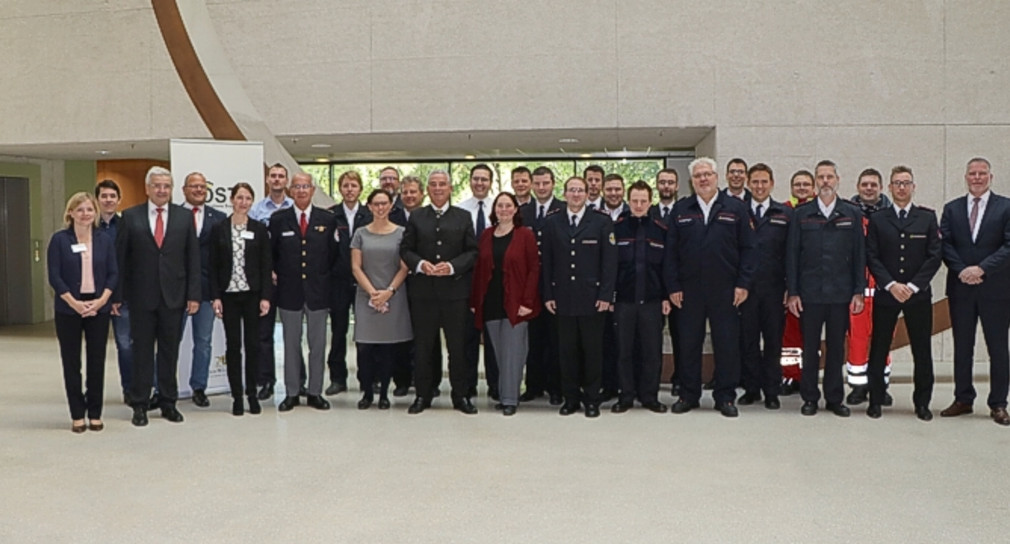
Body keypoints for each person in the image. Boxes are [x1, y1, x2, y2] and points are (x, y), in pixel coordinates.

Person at [665, 158, 756, 418]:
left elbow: (749, 250)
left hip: (726, 289)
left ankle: (725, 396)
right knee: (688, 343)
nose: (703, 179)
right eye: (698, 176)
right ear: (692, 181)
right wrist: (672, 286)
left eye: (707, 175)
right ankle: (688, 394)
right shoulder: (681, 209)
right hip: (688, 290)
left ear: (717, 178)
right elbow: (670, 253)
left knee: (727, 343)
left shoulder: (736, 208)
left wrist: (743, 284)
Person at [113, 166, 200, 427]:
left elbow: (192, 258)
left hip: (174, 297)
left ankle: (168, 402)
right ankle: (140, 403)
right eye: (157, 185)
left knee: (169, 352)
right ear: (147, 188)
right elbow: (121, 259)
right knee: (141, 352)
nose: (162, 190)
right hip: (141, 298)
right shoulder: (130, 217)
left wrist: (194, 294)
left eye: (166, 186)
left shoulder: (184, 217)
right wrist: (117, 296)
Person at [786, 160, 865, 417]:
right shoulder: (802, 214)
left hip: (840, 294)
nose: (825, 182)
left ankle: (834, 398)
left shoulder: (851, 213)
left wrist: (858, 291)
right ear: (815, 182)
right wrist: (793, 292)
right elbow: (792, 256)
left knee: (835, 348)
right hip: (809, 294)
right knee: (810, 348)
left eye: (830, 177)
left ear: (838, 179)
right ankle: (809, 398)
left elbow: (859, 256)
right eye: (821, 177)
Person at [864, 166, 941, 420]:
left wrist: (913, 286)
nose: (901, 187)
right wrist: (891, 284)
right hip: (887, 294)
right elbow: (872, 256)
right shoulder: (878, 219)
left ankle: (922, 403)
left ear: (913, 187)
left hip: (917, 295)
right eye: (897, 183)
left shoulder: (927, 218)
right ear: (889, 187)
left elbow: (934, 256)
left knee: (921, 349)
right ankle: (875, 400)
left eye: (906, 183)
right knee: (879, 347)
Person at [401, 169, 479, 414]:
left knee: (457, 348)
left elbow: (473, 252)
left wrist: (453, 266)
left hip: (455, 294)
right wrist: (422, 265)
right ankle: (423, 396)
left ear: (450, 188)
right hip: (423, 294)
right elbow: (405, 249)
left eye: (442, 184)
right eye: (433, 184)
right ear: (428, 189)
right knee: (423, 348)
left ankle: (461, 396)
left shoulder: (463, 217)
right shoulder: (417, 217)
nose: (437, 188)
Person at [939, 157, 1010, 426]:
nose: (977, 177)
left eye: (982, 173)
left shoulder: (1006, 207)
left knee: (998, 348)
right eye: (972, 173)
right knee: (963, 347)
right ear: (966, 177)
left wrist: (981, 269)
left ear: (990, 177)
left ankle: (998, 403)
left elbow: (1008, 246)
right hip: (961, 289)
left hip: (996, 289)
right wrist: (962, 270)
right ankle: (963, 398)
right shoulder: (952, 209)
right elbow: (944, 245)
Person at [541, 176, 617, 418]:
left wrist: (606, 295)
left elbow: (609, 262)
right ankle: (570, 398)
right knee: (567, 351)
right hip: (562, 299)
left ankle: (592, 399)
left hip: (593, 299)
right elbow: (547, 264)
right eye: (571, 190)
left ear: (587, 194)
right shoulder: (552, 222)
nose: (575, 194)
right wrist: (548, 294)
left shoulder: (601, 222)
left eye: (580, 190)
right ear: (564, 194)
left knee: (592, 351)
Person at [49, 192, 118, 432]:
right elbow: (55, 277)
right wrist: (74, 303)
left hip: (98, 306)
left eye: (89, 210)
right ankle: (77, 414)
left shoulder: (104, 239)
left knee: (96, 362)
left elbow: (113, 273)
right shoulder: (59, 240)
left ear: (95, 213)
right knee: (71, 362)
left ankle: (95, 413)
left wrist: (101, 301)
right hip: (69, 308)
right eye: (80, 210)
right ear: (70, 213)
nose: (85, 214)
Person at [270, 173, 338, 412]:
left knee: (317, 345)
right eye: (297, 187)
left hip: (318, 292)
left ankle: (315, 392)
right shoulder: (279, 219)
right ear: (290, 190)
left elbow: (333, 256)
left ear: (312, 190)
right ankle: (291, 392)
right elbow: (273, 255)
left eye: (305, 186)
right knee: (290, 344)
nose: (301, 191)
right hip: (289, 292)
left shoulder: (327, 219)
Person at [470, 192, 540, 416]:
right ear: (495, 209)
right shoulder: (486, 235)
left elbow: (534, 269)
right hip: (491, 301)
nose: (504, 209)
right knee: (499, 353)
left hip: (516, 302)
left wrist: (528, 301)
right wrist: (475, 301)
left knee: (514, 352)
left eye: (508, 205)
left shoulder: (525, 235)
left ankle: (510, 399)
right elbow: (479, 270)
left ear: (515, 209)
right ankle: (503, 394)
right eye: (500, 206)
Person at [209, 183, 272, 416]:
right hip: (228, 296)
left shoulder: (258, 228)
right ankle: (236, 396)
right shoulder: (219, 229)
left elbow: (266, 265)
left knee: (253, 345)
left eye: (247, 198)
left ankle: (252, 395)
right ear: (232, 200)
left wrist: (266, 296)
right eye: (239, 197)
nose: (243, 202)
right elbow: (213, 266)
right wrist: (215, 296)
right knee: (233, 347)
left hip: (252, 295)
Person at [350, 189, 412, 410]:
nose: (380, 207)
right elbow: (356, 266)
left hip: (393, 296)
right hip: (366, 296)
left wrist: (388, 292)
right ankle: (367, 392)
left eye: (384, 203)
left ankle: (385, 393)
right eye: (376, 204)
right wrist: (373, 293)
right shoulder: (360, 233)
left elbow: (405, 267)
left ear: (391, 206)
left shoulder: (402, 233)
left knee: (388, 349)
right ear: (369, 206)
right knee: (365, 348)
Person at [611, 181, 669, 414]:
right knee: (623, 351)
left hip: (653, 302)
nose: (638, 205)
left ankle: (649, 396)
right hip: (623, 301)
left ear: (650, 201)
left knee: (651, 352)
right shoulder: (616, 228)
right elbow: (609, 267)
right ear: (628, 200)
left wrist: (666, 296)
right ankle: (625, 396)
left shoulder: (661, 229)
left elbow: (668, 267)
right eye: (634, 200)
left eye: (643, 201)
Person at [738, 164, 792, 410]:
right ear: (749, 183)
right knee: (748, 341)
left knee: (773, 343)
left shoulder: (784, 213)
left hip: (774, 290)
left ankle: (771, 390)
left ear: (771, 183)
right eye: (755, 182)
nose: (759, 186)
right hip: (745, 290)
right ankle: (751, 389)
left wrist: (789, 288)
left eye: (764, 182)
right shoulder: (737, 212)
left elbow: (791, 255)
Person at [845, 168, 894, 405]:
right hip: (857, 291)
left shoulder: (891, 216)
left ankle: (880, 386)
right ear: (857, 187)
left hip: (885, 290)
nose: (869, 188)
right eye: (865, 184)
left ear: (881, 187)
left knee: (883, 340)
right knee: (857, 341)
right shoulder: (847, 215)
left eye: (873, 184)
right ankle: (857, 387)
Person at [179, 171, 227, 408]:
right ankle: (163, 387)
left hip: (208, 290)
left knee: (203, 341)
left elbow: (222, 259)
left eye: (202, 186)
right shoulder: (174, 216)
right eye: (193, 186)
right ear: (184, 190)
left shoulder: (219, 218)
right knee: (169, 341)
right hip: (175, 290)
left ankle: (199, 386)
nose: (198, 190)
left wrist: (219, 293)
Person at [519, 166, 565, 405]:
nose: (541, 188)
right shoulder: (522, 212)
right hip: (529, 287)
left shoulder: (564, 209)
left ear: (553, 183)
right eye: (537, 184)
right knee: (533, 340)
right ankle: (534, 385)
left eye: (545, 183)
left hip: (556, 286)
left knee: (555, 339)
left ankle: (555, 387)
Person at [249, 163, 296, 401]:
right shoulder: (256, 210)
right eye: (273, 176)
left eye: (281, 176)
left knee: (293, 333)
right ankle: (265, 380)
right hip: (264, 280)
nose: (277, 179)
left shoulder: (295, 208)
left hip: (290, 280)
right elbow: (251, 246)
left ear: (286, 180)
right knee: (263, 333)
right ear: (267, 180)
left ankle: (299, 381)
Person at [326, 170, 372, 396]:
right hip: (338, 282)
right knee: (338, 331)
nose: (350, 189)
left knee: (366, 332)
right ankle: (337, 378)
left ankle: (368, 379)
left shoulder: (370, 214)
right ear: (340, 189)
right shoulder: (330, 216)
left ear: (360, 189)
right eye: (345, 185)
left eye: (354, 185)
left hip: (365, 282)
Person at [457, 163, 499, 400]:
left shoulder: (501, 208)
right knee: (468, 337)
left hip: (494, 284)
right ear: (470, 181)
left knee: (493, 338)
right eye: (476, 179)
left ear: (490, 182)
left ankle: (495, 386)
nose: (479, 183)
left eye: (484, 179)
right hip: (467, 283)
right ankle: (468, 386)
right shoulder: (460, 210)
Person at [389, 175, 427, 396]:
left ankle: (425, 380)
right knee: (400, 333)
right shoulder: (391, 216)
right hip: (396, 283)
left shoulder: (430, 216)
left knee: (424, 334)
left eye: (413, 192)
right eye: (406, 192)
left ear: (422, 194)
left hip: (424, 283)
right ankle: (402, 380)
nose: (409, 196)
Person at [95, 179, 133, 404]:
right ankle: (94, 392)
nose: (108, 200)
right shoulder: (90, 226)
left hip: (122, 298)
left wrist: (116, 297)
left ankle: (129, 389)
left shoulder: (127, 225)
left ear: (119, 200)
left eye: (112, 196)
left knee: (125, 345)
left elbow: (128, 265)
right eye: (104, 196)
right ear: (97, 199)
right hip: (94, 298)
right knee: (96, 347)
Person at [780, 170, 816, 395]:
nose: (802, 188)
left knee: (811, 335)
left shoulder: (820, 211)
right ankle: (791, 376)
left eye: (806, 184)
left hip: (814, 283)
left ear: (813, 187)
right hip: (789, 284)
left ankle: (809, 376)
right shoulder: (784, 210)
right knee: (790, 335)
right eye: (797, 184)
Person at [648, 169, 681, 395]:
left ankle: (680, 378)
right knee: (652, 336)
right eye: (662, 182)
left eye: (670, 183)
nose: (666, 186)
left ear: (677, 186)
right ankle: (650, 381)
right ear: (657, 186)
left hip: (680, 285)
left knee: (682, 335)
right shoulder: (648, 212)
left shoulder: (684, 211)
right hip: (653, 286)